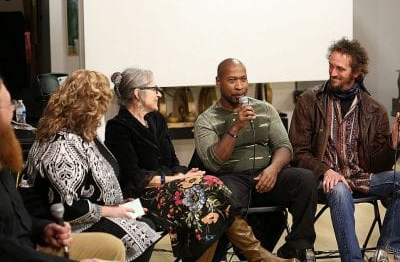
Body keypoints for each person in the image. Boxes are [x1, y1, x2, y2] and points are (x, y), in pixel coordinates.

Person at [104, 67, 295, 262]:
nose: (158, 93)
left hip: (171, 186)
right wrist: (178, 179)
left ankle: (257, 256)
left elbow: (173, 162)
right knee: (206, 198)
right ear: (138, 94)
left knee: (212, 187)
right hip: (143, 195)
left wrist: (184, 175)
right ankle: (260, 256)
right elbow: (134, 178)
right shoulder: (118, 127)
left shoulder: (156, 119)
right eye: (154, 88)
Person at [18, 70, 160, 262]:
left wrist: (118, 205)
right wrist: (111, 211)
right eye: (102, 105)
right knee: (137, 232)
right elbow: (68, 206)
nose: (103, 111)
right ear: (90, 106)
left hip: (89, 213)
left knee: (146, 222)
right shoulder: (60, 142)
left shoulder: (83, 134)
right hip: (59, 226)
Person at [194, 58, 318, 262]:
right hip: (231, 177)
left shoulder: (265, 109)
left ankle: (298, 247)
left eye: (243, 79)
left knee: (304, 179)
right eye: (232, 80)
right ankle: (247, 254)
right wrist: (235, 127)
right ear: (218, 82)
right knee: (222, 192)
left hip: (266, 174)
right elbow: (213, 162)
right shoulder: (207, 120)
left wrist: (274, 169)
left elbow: (284, 147)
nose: (240, 86)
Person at [289, 37, 400, 262]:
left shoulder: (374, 109)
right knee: (339, 190)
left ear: (356, 72)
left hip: (360, 177)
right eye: (331, 65)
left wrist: (393, 144)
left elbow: (380, 166)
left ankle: (386, 250)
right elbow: (297, 151)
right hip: (325, 180)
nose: (333, 72)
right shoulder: (310, 100)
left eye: (340, 68)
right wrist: (325, 171)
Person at [0, 76, 126, 262]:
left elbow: (18, 220)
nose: (14, 111)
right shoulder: (60, 143)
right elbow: (7, 250)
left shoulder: (3, 158)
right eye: (9, 105)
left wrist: (44, 229)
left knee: (113, 247)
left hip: (30, 242)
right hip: (20, 253)